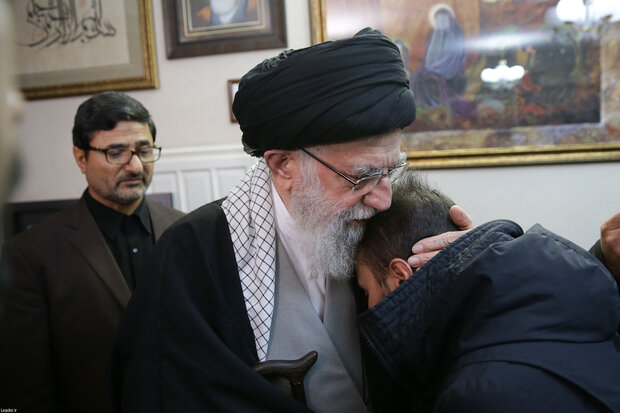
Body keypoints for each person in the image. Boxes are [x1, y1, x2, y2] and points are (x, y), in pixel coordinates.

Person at [110, 28, 473, 413]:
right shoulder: (192, 254)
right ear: (283, 165)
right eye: (361, 176)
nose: (383, 199)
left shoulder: (395, 221)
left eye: (390, 171)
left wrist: (472, 277)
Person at [356, 171, 620, 412]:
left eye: (365, 292)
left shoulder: (477, 394)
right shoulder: (552, 304)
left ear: (400, 278)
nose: (368, 307)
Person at [0, 91, 184, 413]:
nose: (135, 165)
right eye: (116, 152)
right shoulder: (30, 254)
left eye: (144, 150)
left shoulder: (184, 230)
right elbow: (28, 382)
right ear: (81, 158)